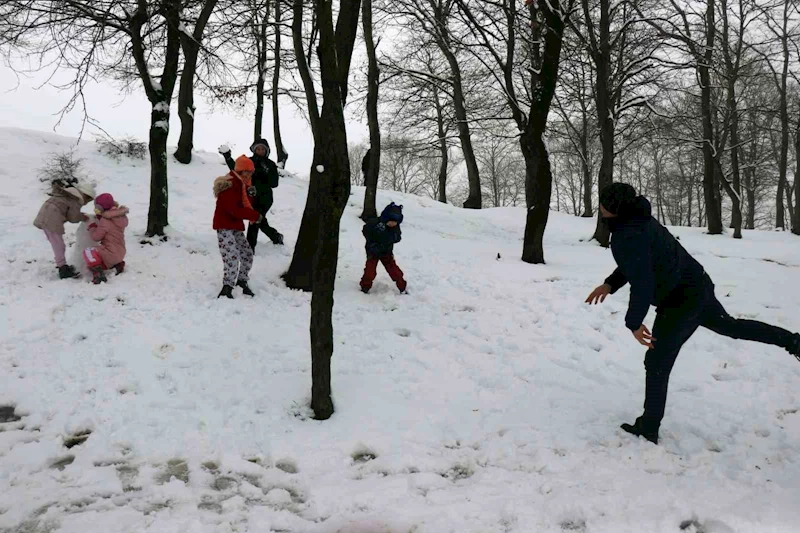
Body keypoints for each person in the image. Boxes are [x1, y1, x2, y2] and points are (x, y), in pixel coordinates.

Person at [586, 183, 800, 444]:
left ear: (614, 209)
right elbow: (641, 263)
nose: (600, 207)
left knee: (656, 362)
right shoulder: (639, 220)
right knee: (730, 327)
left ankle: (649, 427)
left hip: (680, 301)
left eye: (604, 204)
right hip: (696, 284)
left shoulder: (627, 235)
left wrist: (633, 323)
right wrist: (610, 284)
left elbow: (643, 282)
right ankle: (793, 341)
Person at [213, 155, 263, 299]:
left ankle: (242, 281)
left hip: (235, 225)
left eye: (250, 171)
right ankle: (227, 287)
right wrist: (254, 216)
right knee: (232, 256)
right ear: (239, 170)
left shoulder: (243, 185)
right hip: (224, 225)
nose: (249, 174)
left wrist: (251, 194)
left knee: (247, 253)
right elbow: (233, 209)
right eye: (246, 171)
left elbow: (245, 204)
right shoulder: (229, 184)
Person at [219, 139, 283, 249]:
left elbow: (274, 183)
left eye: (262, 149)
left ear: (266, 150)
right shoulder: (248, 161)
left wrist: (264, 173)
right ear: (254, 149)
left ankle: (249, 247)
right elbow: (236, 171)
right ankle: (275, 236)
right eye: (258, 148)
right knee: (259, 220)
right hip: (251, 196)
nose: (260, 151)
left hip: (265, 197)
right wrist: (228, 158)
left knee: (255, 219)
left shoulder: (270, 164)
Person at [34, 181, 95, 279]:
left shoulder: (68, 194)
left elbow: (67, 211)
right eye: (88, 201)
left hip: (44, 216)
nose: (86, 203)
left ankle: (62, 265)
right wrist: (83, 217)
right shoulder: (76, 200)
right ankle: (63, 269)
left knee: (56, 243)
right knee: (59, 245)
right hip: (51, 220)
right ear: (85, 196)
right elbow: (73, 218)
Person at [360, 202, 407, 294]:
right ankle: (365, 287)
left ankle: (402, 287)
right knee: (370, 271)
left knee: (394, 271)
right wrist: (375, 234)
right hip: (373, 251)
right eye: (391, 222)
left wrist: (391, 235)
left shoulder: (395, 228)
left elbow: (398, 238)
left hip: (387, 252)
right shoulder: (375, 223)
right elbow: (365, 230)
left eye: (395, 222)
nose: (393, 224)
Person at [83, 193, 130, 284]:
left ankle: (98, 273)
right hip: (121, 252)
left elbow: (96, 237)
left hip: (110, 254)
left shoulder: (105, 221)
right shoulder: (120, 217)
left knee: (88, 251)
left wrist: (92, 228)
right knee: (109, 251)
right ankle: (118, 264)